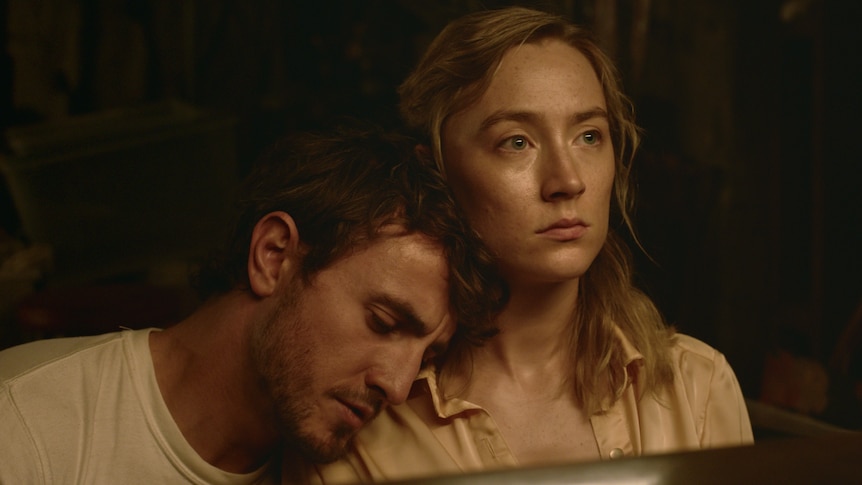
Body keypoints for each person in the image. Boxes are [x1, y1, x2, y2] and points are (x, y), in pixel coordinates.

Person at [293, 6, 753, 483]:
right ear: (436, 169)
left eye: (589, 136)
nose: (567, 180)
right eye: (516, 142)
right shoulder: (362, 417)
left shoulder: (695, 388)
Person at [0, 125, 506, 484]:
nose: (397, 386)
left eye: (428, 355)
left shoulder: (344, 471)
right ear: (274, 256)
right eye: (383, 321)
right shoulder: (26, 422)